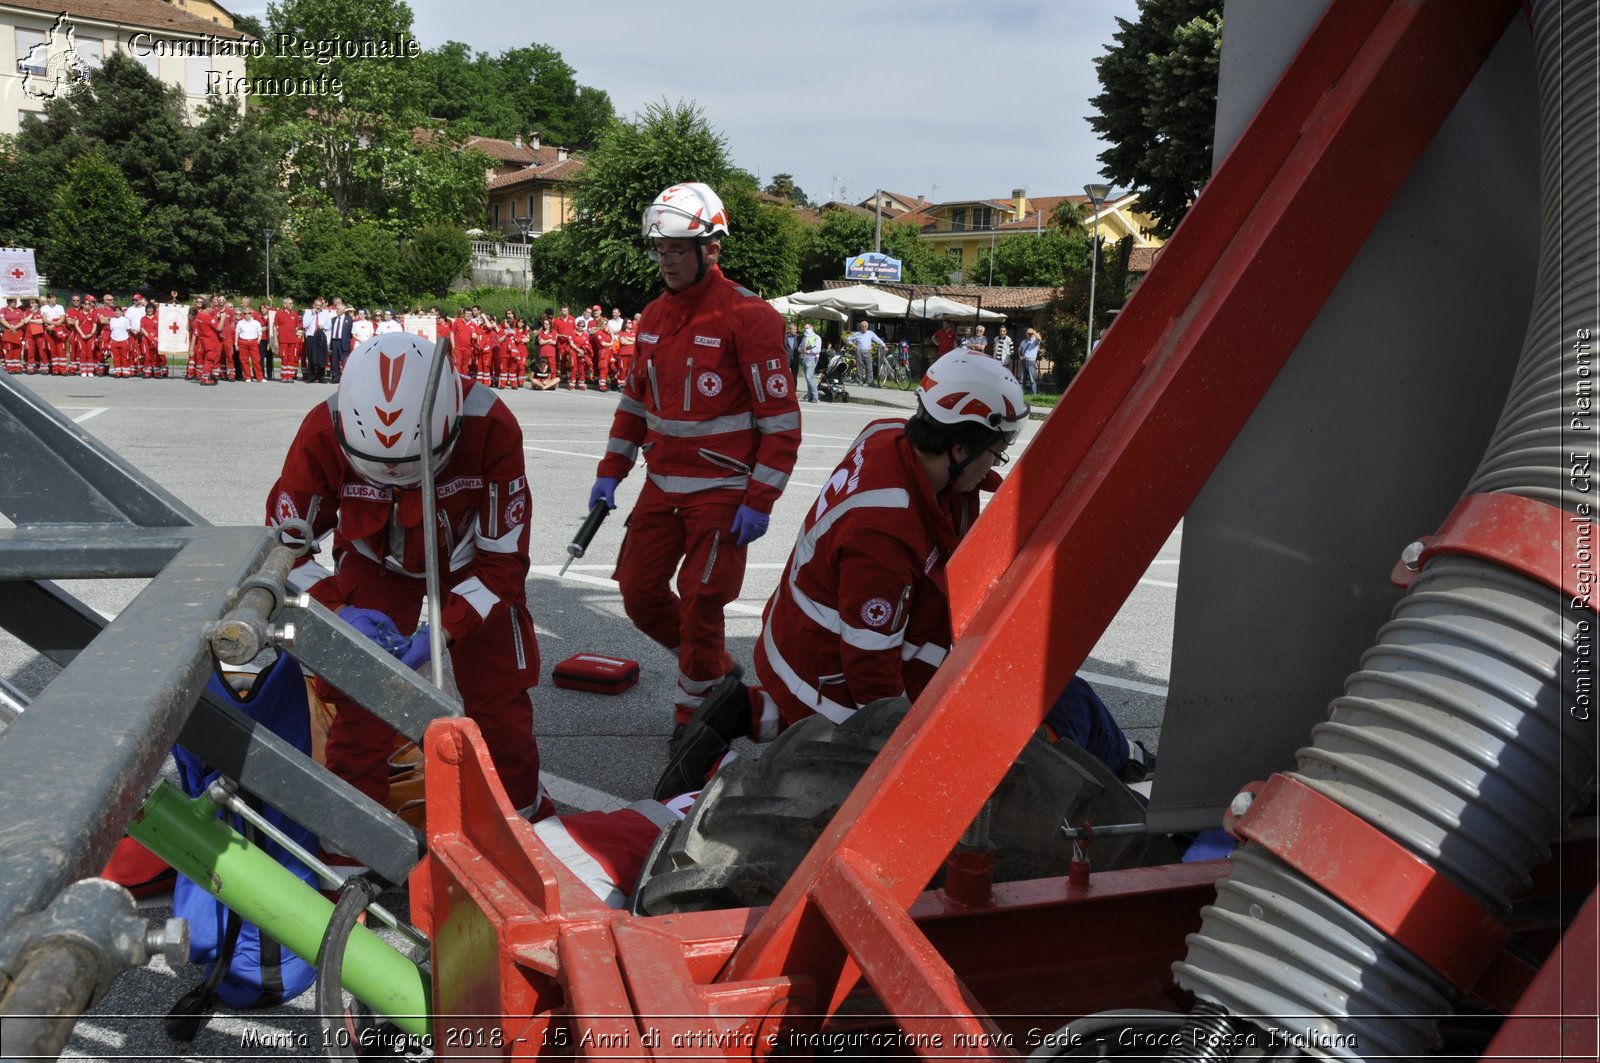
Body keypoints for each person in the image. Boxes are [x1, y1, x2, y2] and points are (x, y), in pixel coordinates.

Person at [265, 332, 548, 821]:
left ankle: (523, 824)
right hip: (373, 563)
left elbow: (503, 562)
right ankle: (355, 845)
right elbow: (283, 548)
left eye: (411, 468)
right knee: (362, 700)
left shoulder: (491, 425)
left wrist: (446, 628)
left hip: (469, 565)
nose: (396, 478)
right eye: (379, 469)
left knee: (500, 704)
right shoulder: (321, 431)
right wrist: (337, 610)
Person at [588, 181, 801, 729]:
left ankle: (694, 725)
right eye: (660, 251)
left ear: (712, 249)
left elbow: (781, 425)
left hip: (724, 493)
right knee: (637, 592)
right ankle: (715, 673)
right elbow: (635, 403)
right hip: (662, 485)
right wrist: (611, 472)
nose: (667, 261)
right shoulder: (654, 316)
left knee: (703, 601)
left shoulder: (750, 318)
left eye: (677, 250)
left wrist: (761, 499)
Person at [844, 320, 885, 385]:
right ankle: (860, 381)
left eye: (865, 327)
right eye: (863, 326)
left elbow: (877, 339)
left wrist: (883, 345)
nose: (864, 328)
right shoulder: (857, 333)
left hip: (868, 351)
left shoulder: (870, 333)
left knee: (869, 367)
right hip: (859, 350)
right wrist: (852, 344)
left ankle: (870, 382)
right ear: (861, 327)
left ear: (867, 327)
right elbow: (847, 339)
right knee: (859, 366)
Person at [275, 297, 303, 383]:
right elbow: (275, 328)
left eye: (292, 303)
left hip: (292, 340)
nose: (292, 305)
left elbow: (297, 326)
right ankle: (284, 376)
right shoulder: (279, 313)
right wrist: (276, 341)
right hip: (283, 340)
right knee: (284, 358)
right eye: (290, 303)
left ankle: (290, 376)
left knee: (292, 358)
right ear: (285, 305)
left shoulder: (294, 314)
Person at [800, 323, 821, 403]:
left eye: (807, 328)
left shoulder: (817, 337)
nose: (805, 329)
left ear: (812, 328)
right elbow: (800, 347)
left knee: (809, 377)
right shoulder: (805, 337)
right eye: (805, 328)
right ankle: (810, 396)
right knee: (808, 378)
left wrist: (807, 351)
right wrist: (801, 349)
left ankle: (815, 396)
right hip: (804, 359)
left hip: (812, 359)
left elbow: (817, 349)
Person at [1018, 328, 1041, 395]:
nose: (1029, 334)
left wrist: (1033, 332)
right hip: (1024, 361)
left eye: (1030, 333)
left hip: (1031, 361)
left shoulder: (1035, 341)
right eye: (1028, 333)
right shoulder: (1023, 342)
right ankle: (1021, 393)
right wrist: (1020, 356)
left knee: (1032, 379)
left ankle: (1034, 394)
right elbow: (1019, 349)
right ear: (1026, 334)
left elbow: (1039, 338)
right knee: (1022, 379)